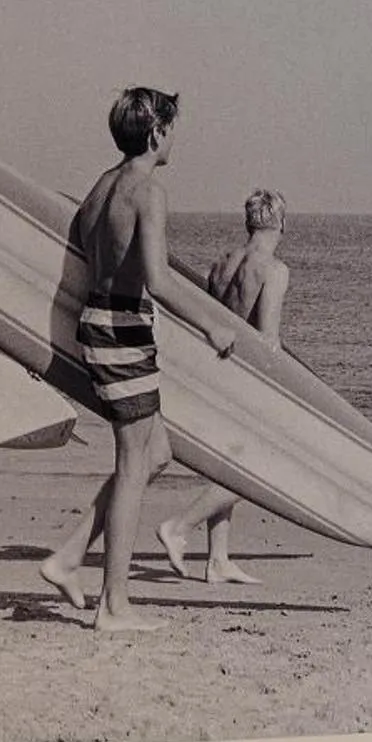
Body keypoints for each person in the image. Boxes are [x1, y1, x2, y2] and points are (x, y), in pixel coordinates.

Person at [37, 88, 237, 632]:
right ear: (155, 134)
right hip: (123, 330)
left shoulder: (100, 188)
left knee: (158, 452)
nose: (175, 139)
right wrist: (212, 326)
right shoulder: (148, 191)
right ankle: (113, 607)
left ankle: (70, 556)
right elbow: (160, 280)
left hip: (100, 323)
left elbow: (83, 252)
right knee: (131, 468)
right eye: (171, 129)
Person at [157, 189, 289, 585]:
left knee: (227, 464)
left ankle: (217, 561)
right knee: (255, 471)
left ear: (249, 222)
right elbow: (266, 340)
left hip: (216, 375)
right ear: (282, 222)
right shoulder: (274, 270)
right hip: (246, 380)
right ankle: (179, 526)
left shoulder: (221, 265)